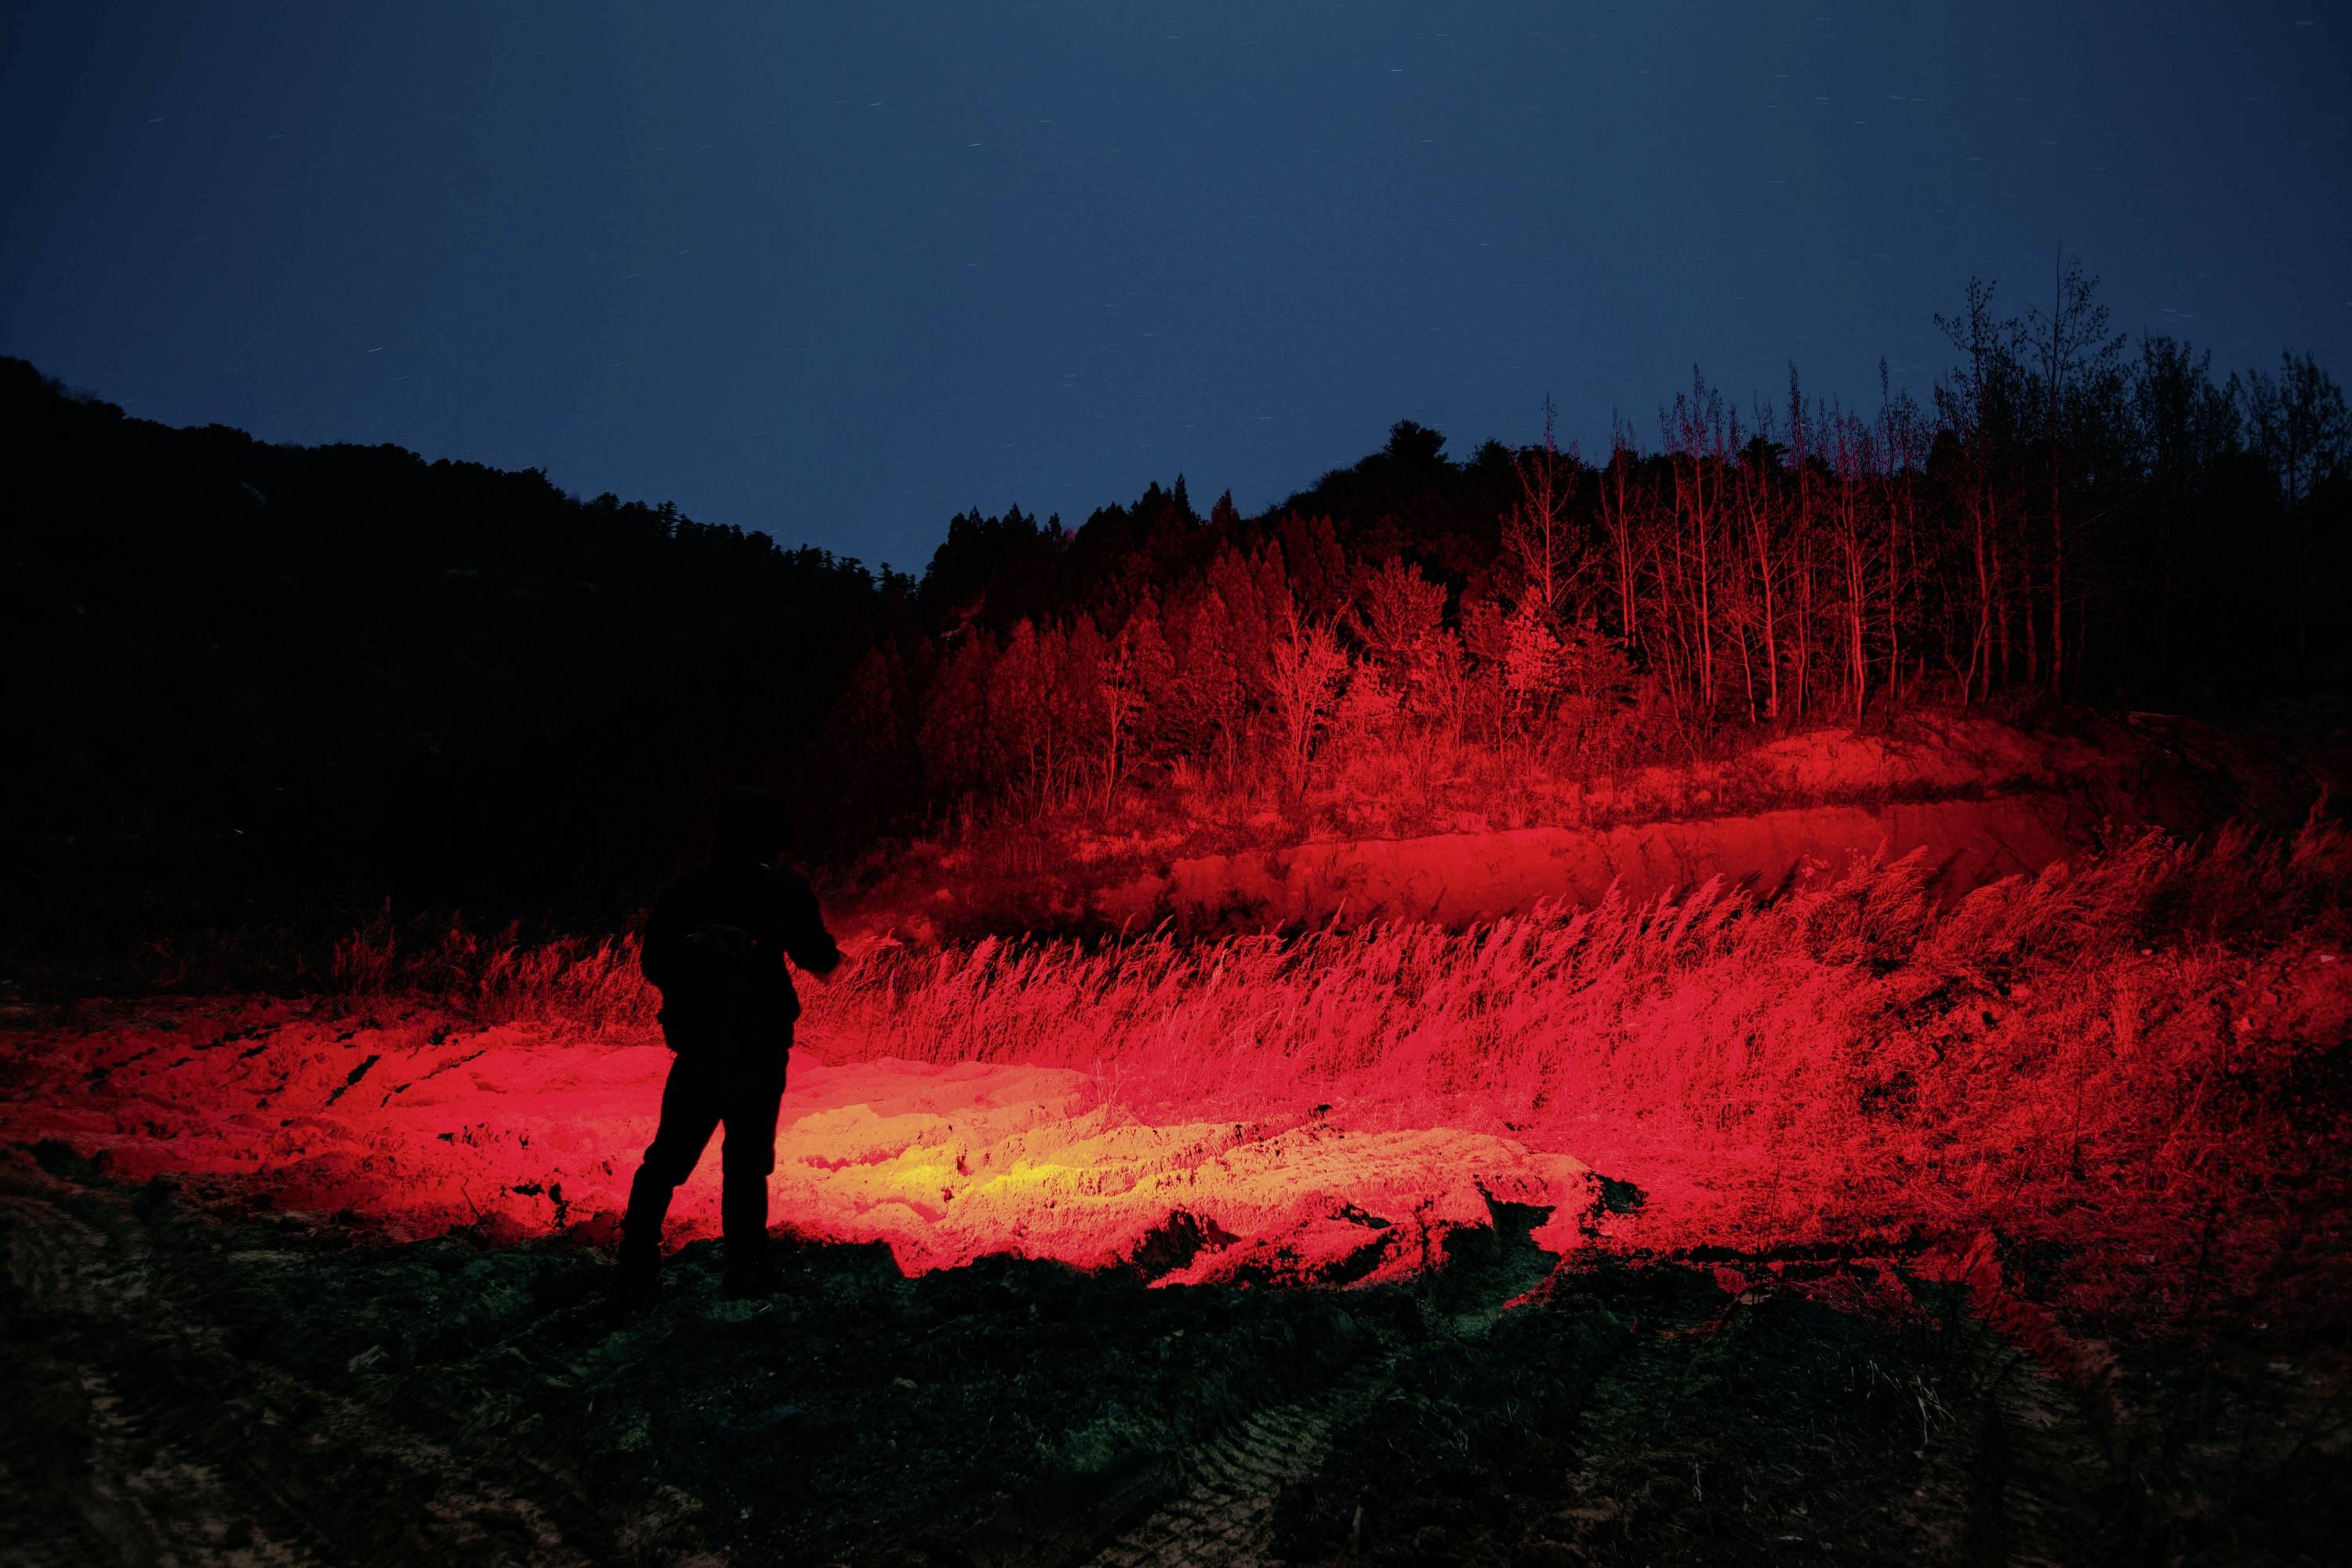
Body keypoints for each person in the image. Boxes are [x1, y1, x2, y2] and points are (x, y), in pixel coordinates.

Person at [613, 785, 841, 1306]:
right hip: (759, 1049)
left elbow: (652, 961)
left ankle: (634, 1266)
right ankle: (744, 1272)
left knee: (667, 1158)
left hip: (699, 1048)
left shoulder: (689, 886)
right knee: (746, 1162)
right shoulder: (784, 888)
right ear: (771, 836)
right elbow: (820, 959)